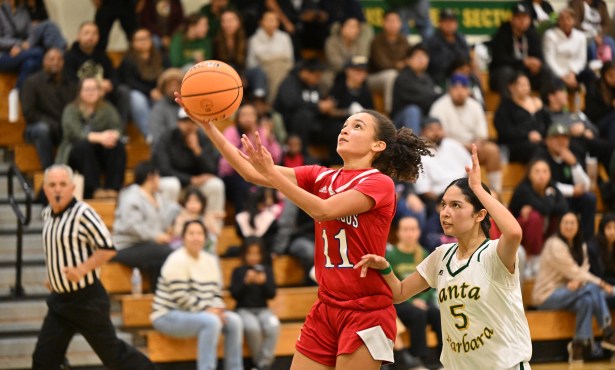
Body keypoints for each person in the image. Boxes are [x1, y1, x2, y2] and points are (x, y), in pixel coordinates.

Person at [175, 91, 432, 368]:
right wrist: (208, 126)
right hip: (326, 306)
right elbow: (251, 172)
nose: (345, 130)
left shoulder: (379, 183)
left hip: (366, 310)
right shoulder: (321, 175)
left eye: (358, 126)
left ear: (378, 145)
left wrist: (271, 171)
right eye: (345, 125)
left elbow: (323, 210)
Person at [354, 146, 532, 370]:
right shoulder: (440, 256)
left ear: (480, 214)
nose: (445, 212)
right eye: (444, 204)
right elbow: (398, 293)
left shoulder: (494, 254)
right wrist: (386, 268)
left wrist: (477, 187)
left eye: (456, 205)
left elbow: (514, 232)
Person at [32, 164, 157, 370]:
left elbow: (108, 248)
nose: (57, 189)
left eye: (62, 184)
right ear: (45, 189)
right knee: (43, 360)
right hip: (60, 302)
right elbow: (57, 249)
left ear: (72, 188)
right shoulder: (47, 214)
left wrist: (81, 269)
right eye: (52, 185)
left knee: (113, 356)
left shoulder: (83, 213)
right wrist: (53, 276)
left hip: (87, 300)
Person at [151, 219, 244, 370]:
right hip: (168, 314)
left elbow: (216, 293)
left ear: (205, 238)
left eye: (200, 233)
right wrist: (209, 311)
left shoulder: (211, 260)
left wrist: (217, 309)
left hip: (201, 313)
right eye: (191, 233)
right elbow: (181, 297)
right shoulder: (176, 259)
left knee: (234, 321)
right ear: (183, 237)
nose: (196, 237)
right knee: (211, 322)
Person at [532, 212, 615, 363]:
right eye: (566, 223)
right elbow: (575, 271)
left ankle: (578, 347)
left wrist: (578, 281)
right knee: (593, 288)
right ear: (560, 225)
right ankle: (608, 330)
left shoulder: (581, 246)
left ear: (578, 226)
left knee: (587, 300)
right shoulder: (554, 244)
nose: (569, 226)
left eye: (573, 223)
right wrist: (602, 284)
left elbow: (582, 271)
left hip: (569, 292)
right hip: (547, 295)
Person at [429, 73, 502, 193]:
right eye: (455, 88)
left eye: (463, 88)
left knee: (492, 151)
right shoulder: (439, 107)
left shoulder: (475, 105)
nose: (459, 91)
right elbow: (437, 136)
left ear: (468, 90)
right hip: (448, 149)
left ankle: (496, 192)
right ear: (450, 89)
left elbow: (482, 134)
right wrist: (462, 146)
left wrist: (477, 144)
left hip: (472, 148)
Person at [57, 77, 126, 199]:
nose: (91, 92)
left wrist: (112, 135)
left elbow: (118, 128)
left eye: (94, 89)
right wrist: (99, 137)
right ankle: (94, 189)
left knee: (117, 145)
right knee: (84, 146)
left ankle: (113, 188)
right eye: (87, 89)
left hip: (100, 153)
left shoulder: (107, 108)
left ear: (100, 91)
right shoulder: (71, 109)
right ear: (80, 92)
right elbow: (74, 133)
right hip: (76, 152)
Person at [386, 216, 441, 369]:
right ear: (399, 233)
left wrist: (422, 299)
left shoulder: (423, 253)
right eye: (405, 230)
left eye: (413, 229)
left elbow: (431, 284)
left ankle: (442, 356)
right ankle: (419, 356)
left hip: (421, 300)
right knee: (418, 313)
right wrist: (412, 301)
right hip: (401, 302)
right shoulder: (391, 256)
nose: (409, 233)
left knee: (436, 313)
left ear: (418, 232)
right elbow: (390, 286)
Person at [112, 161, 176, 289]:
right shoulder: (131, 196)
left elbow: (173, 211)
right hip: (126, 246)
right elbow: (131, 226)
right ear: (150, 176)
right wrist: (156, 236)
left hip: (147, 246)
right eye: (158, 176)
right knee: (166, 251)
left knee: (163, 255)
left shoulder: (158, 197)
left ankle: (157, 294)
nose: (160, 180)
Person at [508, 157, 569, 278]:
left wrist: (546, 199)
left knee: (559, 218)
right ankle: (533, 262)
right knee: (534, 217)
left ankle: (551, 258)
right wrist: (549, 197)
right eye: (537, 171)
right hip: (518, 238)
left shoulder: (551, 188)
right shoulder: (523, 189)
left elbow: (563, 208)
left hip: (542, 235)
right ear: (529, 174)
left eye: (545, 171)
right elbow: (545, 208)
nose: (541, 175)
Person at [63, 21, 131, 125]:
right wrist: (96, 86)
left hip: (104, 93)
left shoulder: (102, 55)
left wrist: (110, 84)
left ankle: (120, 130)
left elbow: (114, 75)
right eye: (86, 33)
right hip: (81, 94)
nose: (91, 36)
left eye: (94, 33)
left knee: (123, 91)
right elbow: (70, 81)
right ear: (78, 36)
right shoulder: (69, 56)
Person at [20, 48, 77, 169]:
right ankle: (49, 170)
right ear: (44, 62)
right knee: (43, 129)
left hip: (63, 128)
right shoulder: (32, 82)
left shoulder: (70, 84)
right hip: (37, 128)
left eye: (59, 59)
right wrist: (54, 124)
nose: (55, 62)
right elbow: (29, 113)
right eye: (51, 59)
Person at [219, 103, 282, 211]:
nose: (248, 118)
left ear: (256, 117)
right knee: (242, 185)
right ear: (238, 118)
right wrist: (251, 138)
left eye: (251, 114)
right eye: (244, 115)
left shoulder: (262, 132)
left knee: (277, 183)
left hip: (259, 174)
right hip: (234, 175)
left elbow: (276, 158)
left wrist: (269, 138)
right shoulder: (231, 132)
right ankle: (243, 222)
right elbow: (230, 162)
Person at [230, 237, 280, 370]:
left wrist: (264, 283)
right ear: (244, 254)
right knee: (253, 328)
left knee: (273, 325)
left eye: (257, 253)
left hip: (263, 310)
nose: (253, 257)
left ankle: (262, 364)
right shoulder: (238, 271)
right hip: (243, 310)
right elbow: (234, 294)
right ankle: (261, 365)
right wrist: (245, 282)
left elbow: (272, 294)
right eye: (250, 253)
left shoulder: (267, 270)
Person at [488, 3, 554, 96]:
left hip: (526, 72)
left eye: (525, 17)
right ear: (512, 19)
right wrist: (523, 62)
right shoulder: (502, 34)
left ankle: (544, 105)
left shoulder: (533, 34)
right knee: (506, 72)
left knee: (546, 71)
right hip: (504, 73)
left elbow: (540, 56)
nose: (522, 21)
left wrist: (536, 64)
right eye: (518, 17)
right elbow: (500, 59)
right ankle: (508, 106)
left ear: (530, 20)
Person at [118, 28, 166, 140]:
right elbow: (130, 82)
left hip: (158, 91)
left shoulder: (161, 56)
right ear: (133, 43)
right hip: (139, 93)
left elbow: (168, 74)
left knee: (167, 97)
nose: (143, 41)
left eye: (146, 38)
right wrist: (150, 92)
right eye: (139, 39)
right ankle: (150, 134)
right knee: (136, 98)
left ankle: (166, 133)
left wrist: (160, 90)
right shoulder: (127, 60)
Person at [494, 72, 549, 164]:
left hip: (539, 141)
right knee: (536, 150)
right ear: (511, 87)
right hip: (515, 145)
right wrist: (527, 135)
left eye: (527, 84)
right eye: (522, 85)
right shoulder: (505, 107)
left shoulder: (538, 104)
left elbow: (548, 123)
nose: (526, 88)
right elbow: (505, 131)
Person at [367, 10, 410, 115]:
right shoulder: (376, 41)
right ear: (383, 23)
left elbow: (409, 61)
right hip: (375, 77)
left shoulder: (404, 41)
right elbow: (382, 64)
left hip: (398, 77)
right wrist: (399, 64)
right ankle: (389, 112)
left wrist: (403, 64)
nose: (393, 24)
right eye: (390, 21)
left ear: (400, 24)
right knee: (391, 75)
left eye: (395, 21)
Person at [391, 44, 441, 134]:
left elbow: (431, 98)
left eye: (424, 56)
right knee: (413, 110)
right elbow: (422, 97)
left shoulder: (427, 78)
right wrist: (438, 96)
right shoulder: (403, 77)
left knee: (437, 116)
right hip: (401, 121)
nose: (421, 59)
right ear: (408, 60)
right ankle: (413, 145)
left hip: (423, 118)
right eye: (418, 56)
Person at [247, 10, 294, 104]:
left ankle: (272, 102)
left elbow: (290, 60)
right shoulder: (254, 39)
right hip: (261, 71)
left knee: (279, 69)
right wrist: (277, 58)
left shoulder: (284, 37)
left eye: (275, 20)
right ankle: (273, 103)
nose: (272, 23)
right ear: (261, 22)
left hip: (283, 69)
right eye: (269, 20)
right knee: (274, 69)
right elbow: (252, 63)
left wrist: (271, 59)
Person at [542, 8, 595, 91]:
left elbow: (581, 59)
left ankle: (590, 102)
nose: (565, 22)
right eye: (562, 19)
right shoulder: (550, 35)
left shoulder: (580, 36)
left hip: (573, 71)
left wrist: (572, 73)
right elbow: (549, 60)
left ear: (574, 21)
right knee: (550, 75)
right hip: (556, 71)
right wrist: (563, 76)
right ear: (558, 21)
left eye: (568, 19)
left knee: (590, 74)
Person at [424, 8, 471, 87]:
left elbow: (466, 59)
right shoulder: (433, 41)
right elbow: (436, 65)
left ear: (456, 24)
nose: (449, 24)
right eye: (445, 21)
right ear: (439, 23)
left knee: (474, 78)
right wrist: (455, 69)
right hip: (441, 78)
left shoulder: (461, 39)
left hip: (462, 75)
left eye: (451, 21)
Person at [149, 67, 183, 147]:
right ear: (163, 88)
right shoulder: (159, 108)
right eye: (170, 85)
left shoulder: (191, 106)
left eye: (177, 84)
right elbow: (157, 138)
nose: (173, 88)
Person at [588, 213, 615, 308]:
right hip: (598, 287)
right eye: (609, 228)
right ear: (602, 229)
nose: (612, 232)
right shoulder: (593, 248)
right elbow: (599, 275)